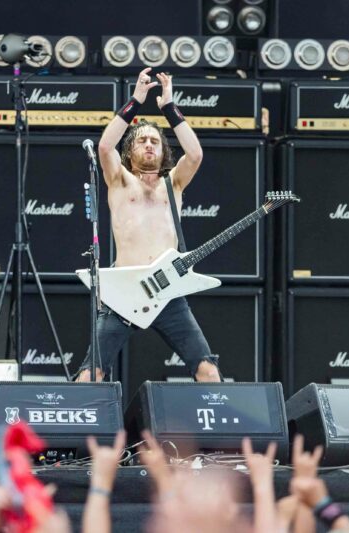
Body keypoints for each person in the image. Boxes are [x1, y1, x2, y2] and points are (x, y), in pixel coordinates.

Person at [75, 67, 220, 384]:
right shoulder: (120, 180)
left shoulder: (174, 183)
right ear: (130, 151)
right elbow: (105, 147)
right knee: (92, 373)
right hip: (124, 291)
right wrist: (136, 101)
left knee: (208, 371)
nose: (149, 145)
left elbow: (195, 154)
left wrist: (169, 107)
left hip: (168, 292)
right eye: (142, 141)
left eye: (155, 141)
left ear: (164, 150)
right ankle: (77, 418)